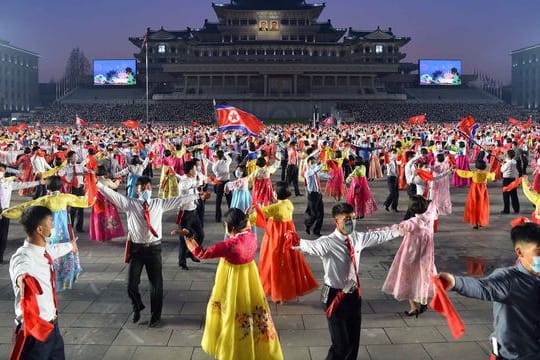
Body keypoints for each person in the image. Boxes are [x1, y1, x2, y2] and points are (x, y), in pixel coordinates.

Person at [292, 203, 403, 360]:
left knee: (353, 342)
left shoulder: (357, 238)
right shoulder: (327, 243)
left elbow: (378, 236)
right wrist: (296, 242)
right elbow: (309, 246)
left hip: (353, 295)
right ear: (336, 221)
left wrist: (398, 231)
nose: (351, 222)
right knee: (341, 346)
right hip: (334, 296)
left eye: (353, 218)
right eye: (346, 219)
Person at [173, 209, 284, 360]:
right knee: (252, 308)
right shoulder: (251, 235)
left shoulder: (230, 244)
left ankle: (233, 349)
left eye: (226, 225)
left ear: (231, 228)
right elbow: (249, 224)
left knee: (232, 310)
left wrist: (189, 236)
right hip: (250, 276)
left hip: (233, 279)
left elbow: (202, 253)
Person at [97, 175, 198, 327]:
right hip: (136, 250)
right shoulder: (129, 204)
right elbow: (111, 194)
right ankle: (137, 306)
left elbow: (179, 200)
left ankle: (155, 317)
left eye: (148, 187)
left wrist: (197, 195)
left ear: (152, 189)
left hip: (154, 249)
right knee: (131, 284)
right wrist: (96, 183)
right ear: (137, 190)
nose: (146, 190)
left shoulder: (159, 203)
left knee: (156, 285)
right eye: (142, 188)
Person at [437, 222, 540, 360]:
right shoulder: (509, 280)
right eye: (539, 252)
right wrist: (456, 282)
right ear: (519, 252)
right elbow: (483, 287)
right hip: (514, 356)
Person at [8, 206, 78, 359]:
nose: (53, 225)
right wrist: (23, 278)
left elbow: (54, 250)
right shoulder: (23, 257)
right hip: (35, 332)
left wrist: (70, 246)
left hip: (53, 328)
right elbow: (21, 269)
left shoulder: (43, 251)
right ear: (40, 229)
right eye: (50, 222)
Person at [3, 176, 90, 291]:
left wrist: (6, 212)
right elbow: (86, 201)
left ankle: (50, 280)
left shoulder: (44, 200)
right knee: (66, 252)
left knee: (49, 254)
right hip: (64, 232)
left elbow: (25, 207)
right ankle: (65, 279)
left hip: (49, 231)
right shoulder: (65, 197)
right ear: (61, 186)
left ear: (47, 187)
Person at [249, 182, 318, 303]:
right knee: (287, 263)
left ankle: (278, 292)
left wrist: (248, 214)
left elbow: (257, 216)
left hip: (276, 238)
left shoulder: (275, 208)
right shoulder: (289, 204)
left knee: (273, 262)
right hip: (288, 237)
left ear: (276, 194)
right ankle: (285, 290)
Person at [382, 196, 438, 317]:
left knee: (408, 279)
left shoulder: (411, 223)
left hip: (411, 255)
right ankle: (423, 301)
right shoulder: (430, 215)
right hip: (426, 256)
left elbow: (395, 229)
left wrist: (377, 231)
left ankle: (414, 307)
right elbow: (433, 205)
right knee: (423, 278)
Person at [0, 163, 42, 264]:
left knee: (3, 234)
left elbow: (24, 184)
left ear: (5, 172)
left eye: (1, 170)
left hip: (5, 211)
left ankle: (0, 255)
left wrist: (38, 182)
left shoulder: (8, 184)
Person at [456, 159, 495, 229]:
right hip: (483, 190)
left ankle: (475, 223)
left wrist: (456, 170)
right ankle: (481, 221)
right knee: (482, 205)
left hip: (474, 190)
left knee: (474, 205)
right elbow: (492, 175)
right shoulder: (486, 173)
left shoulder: (474, 173)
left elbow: (464, 173)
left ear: (477, 166)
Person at [89, 166, 125, 242]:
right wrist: (118, 180)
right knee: (108, 218)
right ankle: (107, 235)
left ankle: (99, 235)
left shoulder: (94, 181)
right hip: (107, 202)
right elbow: (115, 186)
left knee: (98, 218)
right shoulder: (107, 181)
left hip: (97, 202)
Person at [304, 153, 324, 236]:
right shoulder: (308, 172)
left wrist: (331, 177)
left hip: (318, 194)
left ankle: (317, 231)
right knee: (314, 214)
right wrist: (323, 162)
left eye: (314, 162)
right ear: (308, 163)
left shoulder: (315, 172)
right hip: (312, 195)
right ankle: (308, 224)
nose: (314, 164)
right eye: (312, 163)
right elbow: (316, 170)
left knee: (321, 214)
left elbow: (321, 174)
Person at [211, 150, 232, 222]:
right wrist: (225, 154)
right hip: (227, 182)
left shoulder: (215, 165)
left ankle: (218, 218)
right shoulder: (227, 162)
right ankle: (231, 216)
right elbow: (229, 158)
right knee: (230, 200)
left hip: (219, 182)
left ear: (217, 157)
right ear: (222, 156)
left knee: (218, 201)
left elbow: (215, 172)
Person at [500, 149, 520, 214]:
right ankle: (516, 209)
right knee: (514, 195)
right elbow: (509, 161)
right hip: (513, 179)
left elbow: (502, 170)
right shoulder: (514, 161)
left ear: (508, 155)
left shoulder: (508, 163)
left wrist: (502, 164)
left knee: (506, 196)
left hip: (506, 180)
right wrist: (504, 162)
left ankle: (506, 210)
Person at [383, 148, 399, 212]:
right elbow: (387, 161)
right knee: (392, 193)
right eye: (393, 152)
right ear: (390, 153)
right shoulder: (389, 160)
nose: (394, 154)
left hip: (396, 177)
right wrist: (388, 155)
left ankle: (394, 207)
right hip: (390, 178)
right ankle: (386, 204)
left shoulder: (395, 160)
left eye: (395, 153)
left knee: (396, 194)